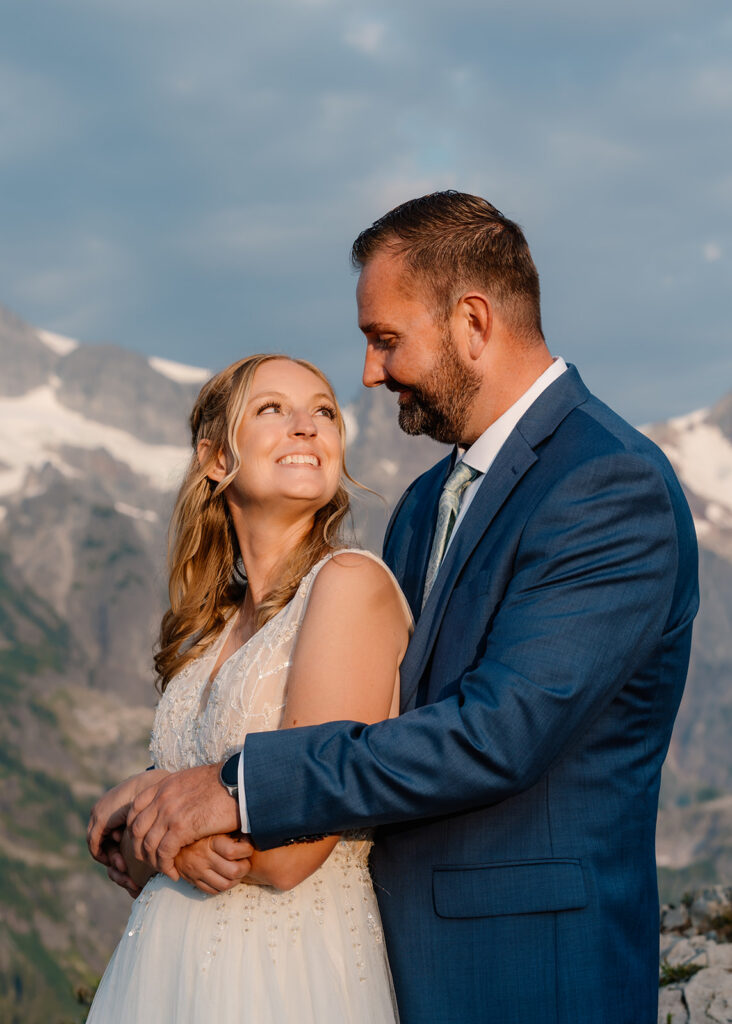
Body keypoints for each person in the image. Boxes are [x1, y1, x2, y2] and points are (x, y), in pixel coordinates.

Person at [122, 192, 699, 1024]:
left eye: (384, 339)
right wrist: (150, 800)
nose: (368, 374)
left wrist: (239, 789)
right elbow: (374, 713)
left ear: (472, 322)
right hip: (384, 959)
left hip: (529, 969)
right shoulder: (426, 501)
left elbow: (498, 732)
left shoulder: (609, 483)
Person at [86, 353, 411, 1022]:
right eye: (273, 410)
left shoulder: (349, 585)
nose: (306, 426)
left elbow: (296, 850)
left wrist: (148, 803)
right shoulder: (209, 629)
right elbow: (132, 868)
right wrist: (167, 831)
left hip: (285, 972)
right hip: (166, 972)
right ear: (215, 459)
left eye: (323, 410)